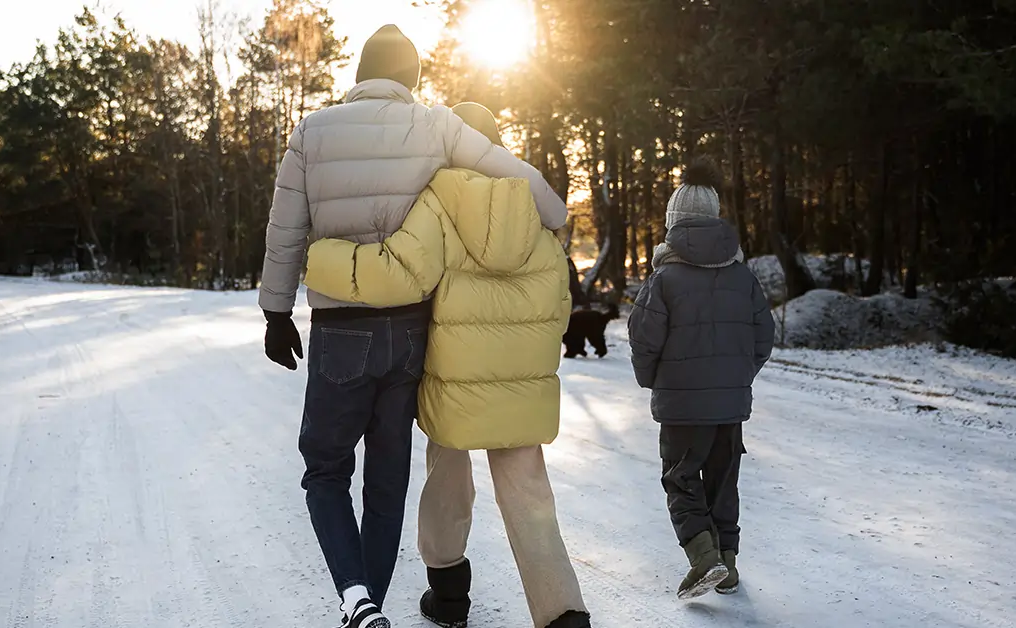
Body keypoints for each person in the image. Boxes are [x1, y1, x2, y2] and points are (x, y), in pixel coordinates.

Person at [258, 25, 568, 628]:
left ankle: (358, 599)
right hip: (408, 332)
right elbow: (509, 172)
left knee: (325, 468)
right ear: (413, 80)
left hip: (339, 328)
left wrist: (275, 312)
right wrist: (552, 214)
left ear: (359, 75)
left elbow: (285, 228)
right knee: (388, 479)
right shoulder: (434, 125)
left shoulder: (312, 130)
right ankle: (366, 605)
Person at [304, 103, 591, 628]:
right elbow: (560, 299)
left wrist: (320, 258)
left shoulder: (440, 199)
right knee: (529, 493)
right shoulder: (533, 204)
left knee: (446, 478)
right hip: (522, 382)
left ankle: (449, 592)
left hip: (452, 377)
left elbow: (398, 274)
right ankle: (563, 614)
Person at [627, 161, 775, 599]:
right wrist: (735, 377)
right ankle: (727, 565)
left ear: (673, 224)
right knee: (723, 481)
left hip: (682, 406)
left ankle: (704, 558)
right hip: (730, 405)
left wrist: (654, 380)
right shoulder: (742, 276)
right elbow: (763, 337)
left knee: (681, 478)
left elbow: (643, 339)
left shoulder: (664, 278)